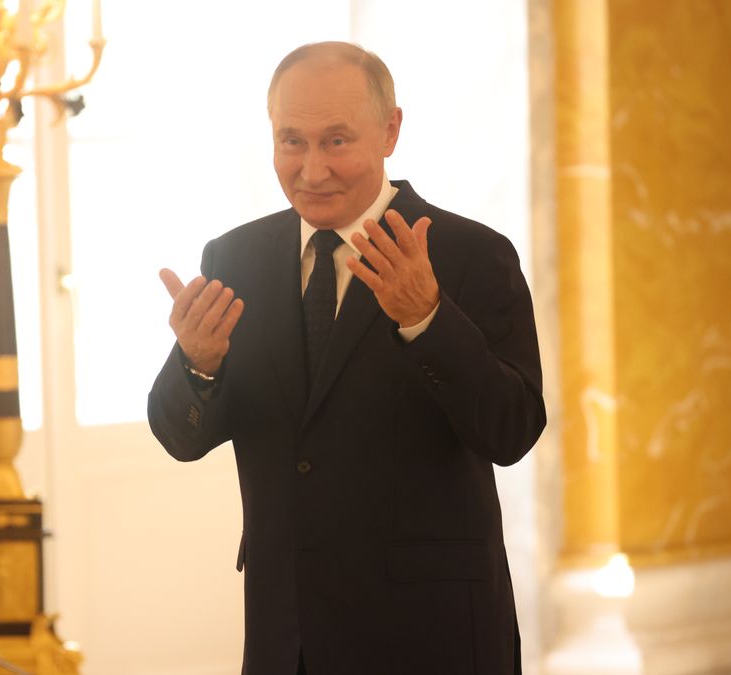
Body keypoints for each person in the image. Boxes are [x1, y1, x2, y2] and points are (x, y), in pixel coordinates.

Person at [148, 41, 546, 674]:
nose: (311, 170)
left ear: (390, 131)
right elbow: (182, 438)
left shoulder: (472, 254)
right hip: (289, 637)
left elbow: (512, 430)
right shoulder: (234, 259)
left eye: (336, 141)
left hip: (432, 635)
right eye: (292, 142)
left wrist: (427, 319)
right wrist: (198, 364)